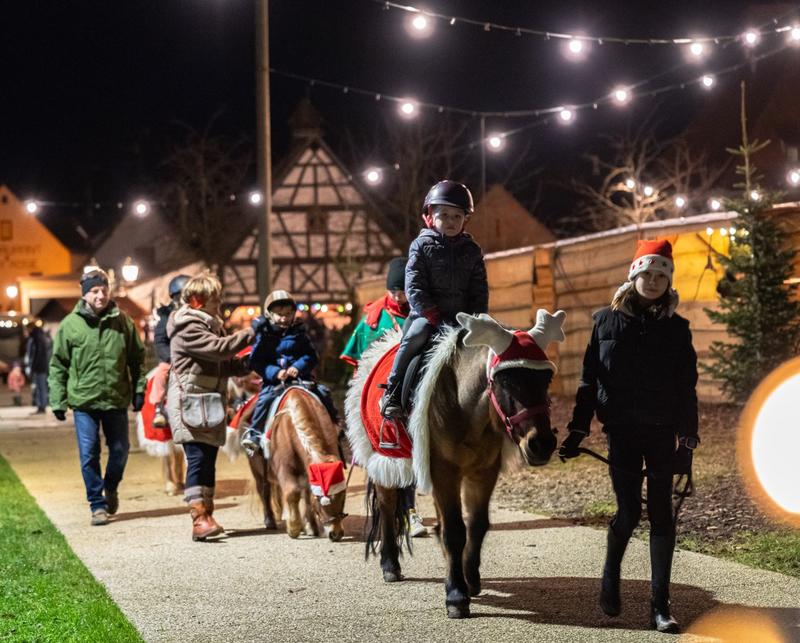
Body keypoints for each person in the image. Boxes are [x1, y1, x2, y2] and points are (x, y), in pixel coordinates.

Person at [559, 239, 699, 634]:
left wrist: (687, 442)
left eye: (661, 275)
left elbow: (686, 388)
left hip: (661, 432)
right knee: (628, 512)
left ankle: (660, 606)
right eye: (647, 273)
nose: (653, 281)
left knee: (661, 515)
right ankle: (610, 574)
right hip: (621, 431)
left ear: (668, 282)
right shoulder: (604, 321)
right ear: (633, 275)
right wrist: (578, 429)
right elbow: (589, 381)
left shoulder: (677, 329)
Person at [380, 179, 488, 419]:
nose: (451, 221)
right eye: (444, 215)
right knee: (413, 340)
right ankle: (393, 392)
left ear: (465, 220)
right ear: (430, 217)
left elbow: (479, 288)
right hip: (427, 316)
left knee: (490, 346)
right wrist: (432, 314)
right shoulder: (420, 246)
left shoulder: (472, 251)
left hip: (462, 318)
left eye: (457, 217)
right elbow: (415, 286)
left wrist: (478, 318)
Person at [49, 269, 146, 526]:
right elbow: (58, 364)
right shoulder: (70, 326)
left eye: (104, 290)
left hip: (115, 398)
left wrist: (139, 390)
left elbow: (137, 358)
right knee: (89, 454)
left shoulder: (123, 321)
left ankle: (110, 486)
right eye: (94, 291)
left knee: (120, 450)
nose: (100, 295)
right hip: (84, 402)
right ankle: (97, 504)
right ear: (85, 294)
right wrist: (57, 401)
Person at [340, 257, 427, 537]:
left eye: (402, 290)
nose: (398, 296)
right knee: (384, 453)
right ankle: (388, 509)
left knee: (409, 451)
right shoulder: (373, 318)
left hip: (410, 390)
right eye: (393, 291)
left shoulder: (419, 312)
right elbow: (359, 362)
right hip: (377, 392)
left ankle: (410, 511)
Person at [166, 272, 254, 541]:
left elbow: (223, 363)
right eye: (215, 299)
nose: (220, 303)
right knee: (197, 460)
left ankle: (207, 514)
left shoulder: (209, 325)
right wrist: (252, 332)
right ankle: (199, 518)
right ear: (197, 301)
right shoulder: (188, 327)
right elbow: (218, 350)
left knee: (208, 462)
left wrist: (250, 362)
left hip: (207, 401)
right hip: (190, 402)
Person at [240, 290, 339, 453]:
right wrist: (275, 372)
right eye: (279, 314)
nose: (284, 318)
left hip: (301, 380)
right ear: (269, 315)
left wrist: (298, 367)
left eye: (288, 313)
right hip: (275, 383)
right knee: (264, 400)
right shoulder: (264, 337)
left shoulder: (299, 333)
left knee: (323, 393)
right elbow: (257, 361)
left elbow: (311, 355)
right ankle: (255, 433)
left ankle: (334, 426)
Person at [151, 274, 191, 427]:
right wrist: (170, 358)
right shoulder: (166, 317)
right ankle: (158, 407)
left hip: (194, 355)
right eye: (182, 296)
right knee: (161, 373)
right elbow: (160, 341)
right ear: (174, 297)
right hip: (172, 357)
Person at [24, 321, 52, 413]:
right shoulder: (38, 337)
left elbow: (37, 354)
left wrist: (33, 367)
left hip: (39, 367)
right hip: (41, 367)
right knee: (39, 387)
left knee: (40, 387)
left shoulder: (37, 338)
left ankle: (42, 406)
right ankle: (41, 406)